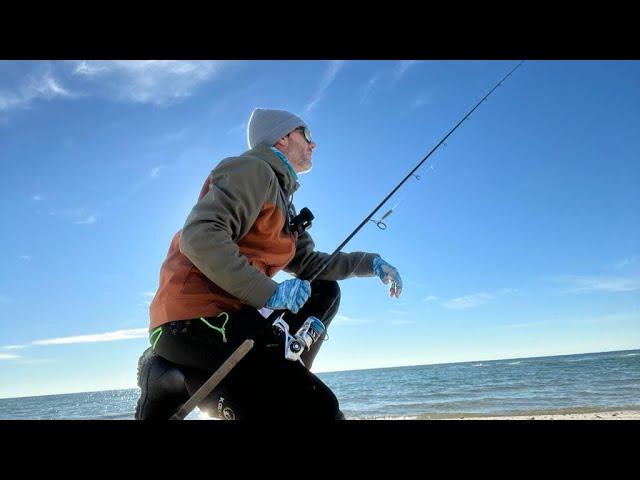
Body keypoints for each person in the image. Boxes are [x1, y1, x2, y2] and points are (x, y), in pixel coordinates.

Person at [135, 108, 402, 420]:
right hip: (193, 321)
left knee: (325, 290)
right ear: (283, 138)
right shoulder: (253, 171)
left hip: (235, 319)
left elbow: (312, 264)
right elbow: (199, 237)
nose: (313, 144)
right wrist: (269, 293)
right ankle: (171, 375)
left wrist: (371, 263)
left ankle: (183, 379)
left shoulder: (284, 203)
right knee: (319, 410)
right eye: (307, 135)